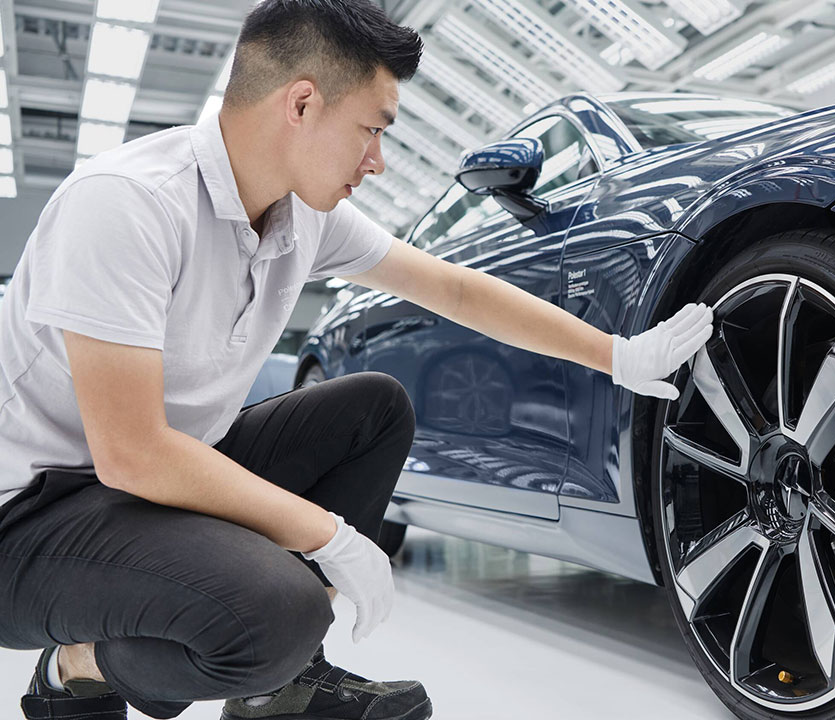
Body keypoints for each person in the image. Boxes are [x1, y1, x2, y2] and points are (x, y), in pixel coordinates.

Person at [0, 1, 714, 719]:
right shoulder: (127, 205)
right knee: (276, 612)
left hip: (152, 486)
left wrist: (617, 354)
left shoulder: (303, 214)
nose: (377, 161)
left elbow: (454, 289)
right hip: (34, 516)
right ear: (302, 104)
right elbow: (132, 455)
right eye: (371, 130)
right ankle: (79, 663)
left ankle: (279, 687)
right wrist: (328, 536)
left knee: (373, 409)